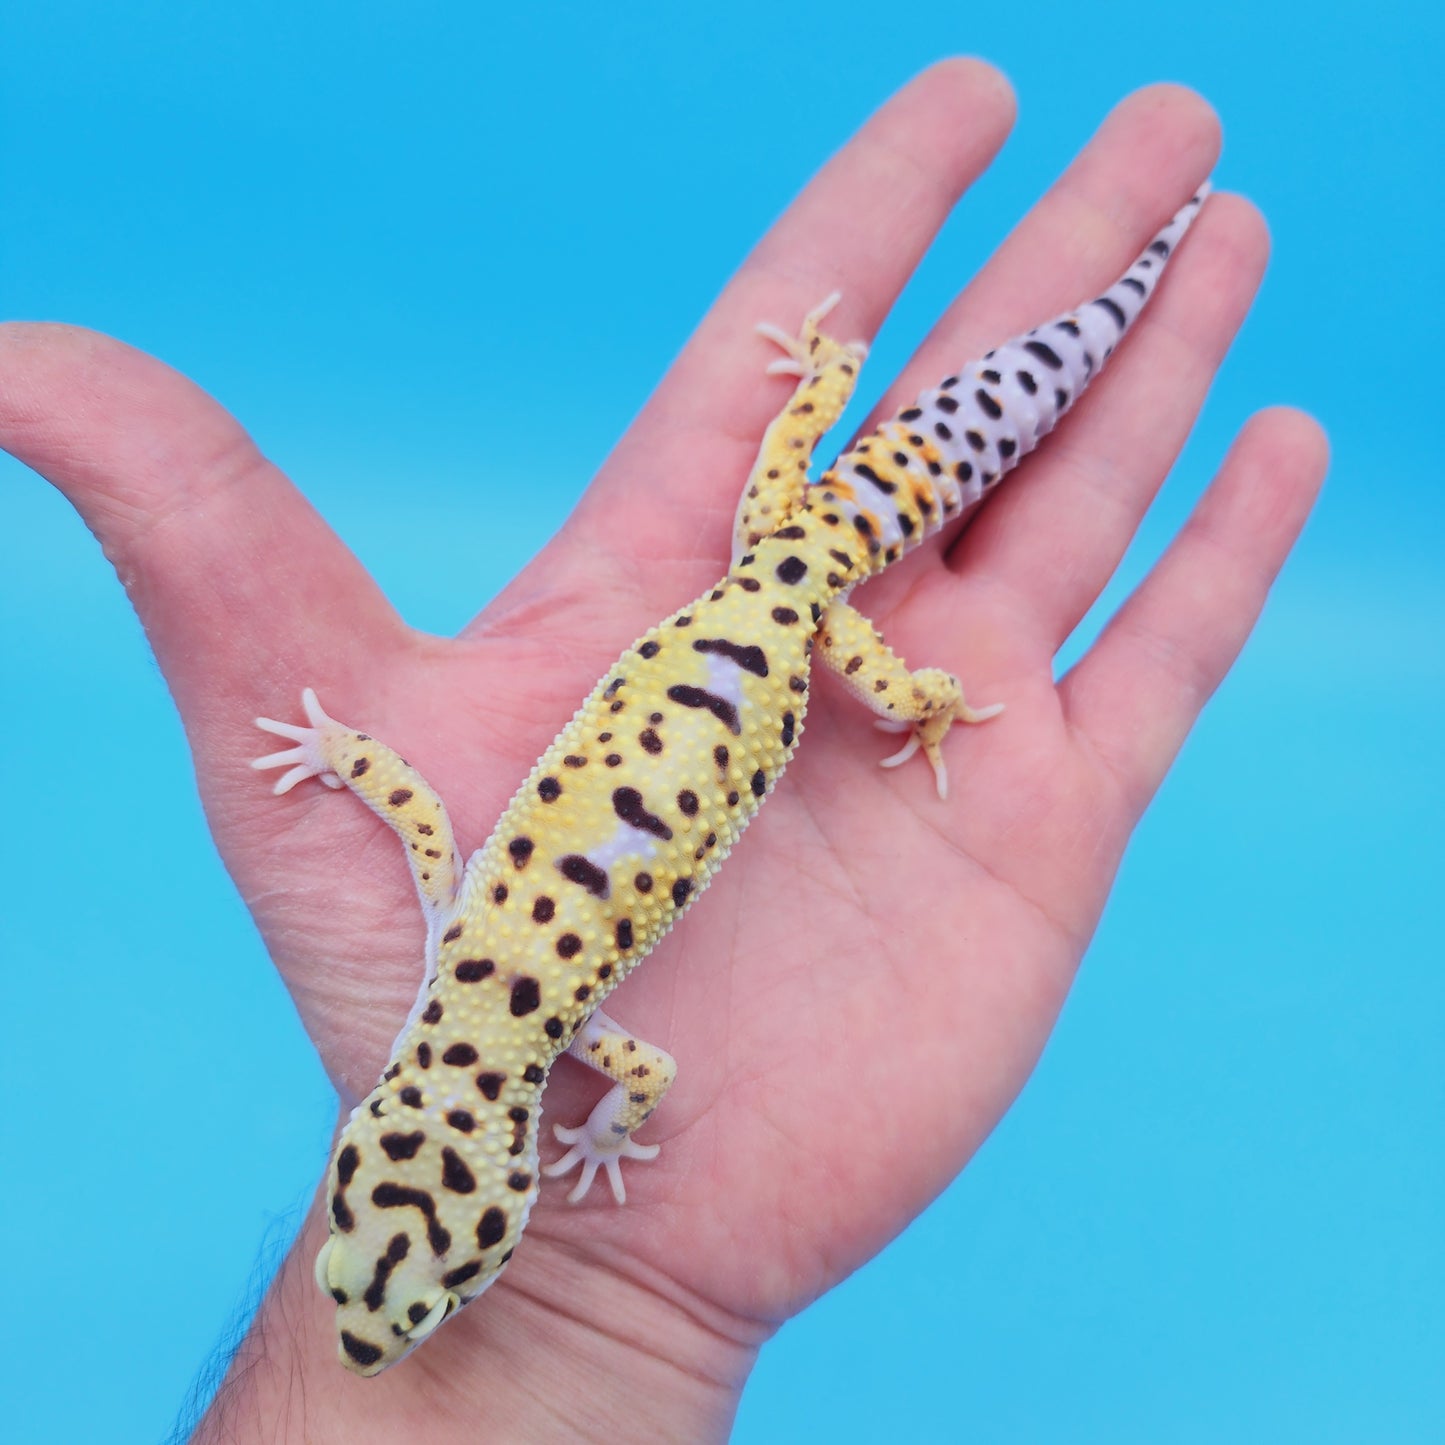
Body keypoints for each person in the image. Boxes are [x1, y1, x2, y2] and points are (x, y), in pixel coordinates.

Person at [0, 60, 1326, 1443]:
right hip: (780, 600)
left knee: (938, 511)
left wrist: (601, 1133)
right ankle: (904, 374)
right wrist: (345, 750)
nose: (371, 1309)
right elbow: (420, 827)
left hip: (796, 616)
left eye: (368, 1271)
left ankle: (1099, 301)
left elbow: (641, 1072)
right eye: (403, 1287)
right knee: (853, 500)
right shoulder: (466, 951)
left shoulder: (562, 1024)